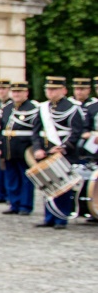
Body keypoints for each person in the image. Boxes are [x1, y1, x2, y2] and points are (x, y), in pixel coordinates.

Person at [32, 75, 84, 228]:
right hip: (46, 152)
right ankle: (49, 217)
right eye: (48, 89)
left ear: (63, 90)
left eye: (54, 89)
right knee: (48, 184)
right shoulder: (43, 108)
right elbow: (35, 132)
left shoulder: (73, 108)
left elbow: (76, 132)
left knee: (62, 186)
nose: (51, 92)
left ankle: (61, 217)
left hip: (64, 153)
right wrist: (38, 149)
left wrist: (64, 147)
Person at [1, 82, 38, 216]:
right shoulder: (7, 108)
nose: (16, 94)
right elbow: (2, 128)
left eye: (19, 92)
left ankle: (25, 205)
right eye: (14, 92)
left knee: (26, 178)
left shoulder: (32, 108)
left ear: (26, 93)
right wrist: (0, 147)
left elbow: (35, 130)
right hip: (9, 148)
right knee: (11, 178)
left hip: (25, 148)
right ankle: (14, 203)